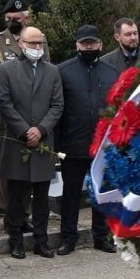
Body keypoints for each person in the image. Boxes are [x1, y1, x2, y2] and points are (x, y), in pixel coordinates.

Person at [0, 27, 64, 259]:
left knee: (42, 198)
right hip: (17, 141)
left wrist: (41, 129)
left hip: (43, 142)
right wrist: (25, 130)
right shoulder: (6, 70)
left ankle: (41, 240)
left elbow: (57, 105)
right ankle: (15, 240)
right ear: (21, 44)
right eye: (32, 43)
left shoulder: (52, 71)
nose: (37, 48)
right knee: (16, 196)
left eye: (40, 43)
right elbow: (5, 104)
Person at [55, 24, 118, 255]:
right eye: (85, 43)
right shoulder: (62, 71)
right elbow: (58, 108)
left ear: (100, 44)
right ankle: (68, 238)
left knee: (99, 193)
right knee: (70, 194)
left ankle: (101, 236)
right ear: (77, 45)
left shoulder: (112, 72)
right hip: (72, 143)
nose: (89, 47)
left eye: (92, 43)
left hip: (102, 145)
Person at [0, 0, 35, 230]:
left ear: (27, 18)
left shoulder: (37, 40)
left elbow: (45, 73)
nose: (13, 20)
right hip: (6, 116)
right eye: (9, 18)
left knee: (29, 166)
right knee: (5, 166)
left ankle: (25, 213)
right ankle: (9, 214)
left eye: (18, 17)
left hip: (32, 116)